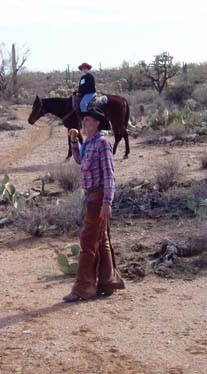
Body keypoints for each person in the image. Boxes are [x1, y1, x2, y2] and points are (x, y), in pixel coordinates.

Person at [63, 105, 125, 302]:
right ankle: (108, 282)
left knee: (88, 241)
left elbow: (109, 175)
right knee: (102, 240)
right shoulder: (89, 142)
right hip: (91, 197)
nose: (84, 123)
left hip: (98, 199)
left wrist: (107, 202)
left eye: (88, 121)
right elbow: (80, 160)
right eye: (84, 121)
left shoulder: (103, 144)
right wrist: (74, 141)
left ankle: (83, 288)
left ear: (97, 124)